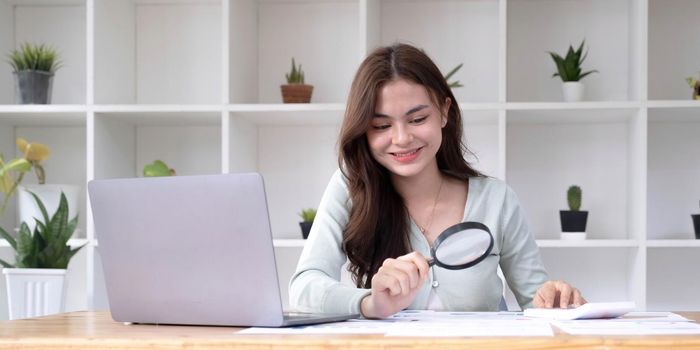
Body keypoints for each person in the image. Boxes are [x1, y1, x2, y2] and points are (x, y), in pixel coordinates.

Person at [289, 43, 586, 319]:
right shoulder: (351, 188)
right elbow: (304, 290)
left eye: (417, 119)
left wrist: (554, 298)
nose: (402, 138)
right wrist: (370, 302)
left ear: (444, 112)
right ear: (363, 131)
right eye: (381, 125)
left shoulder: (496, 199)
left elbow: (535, 301)